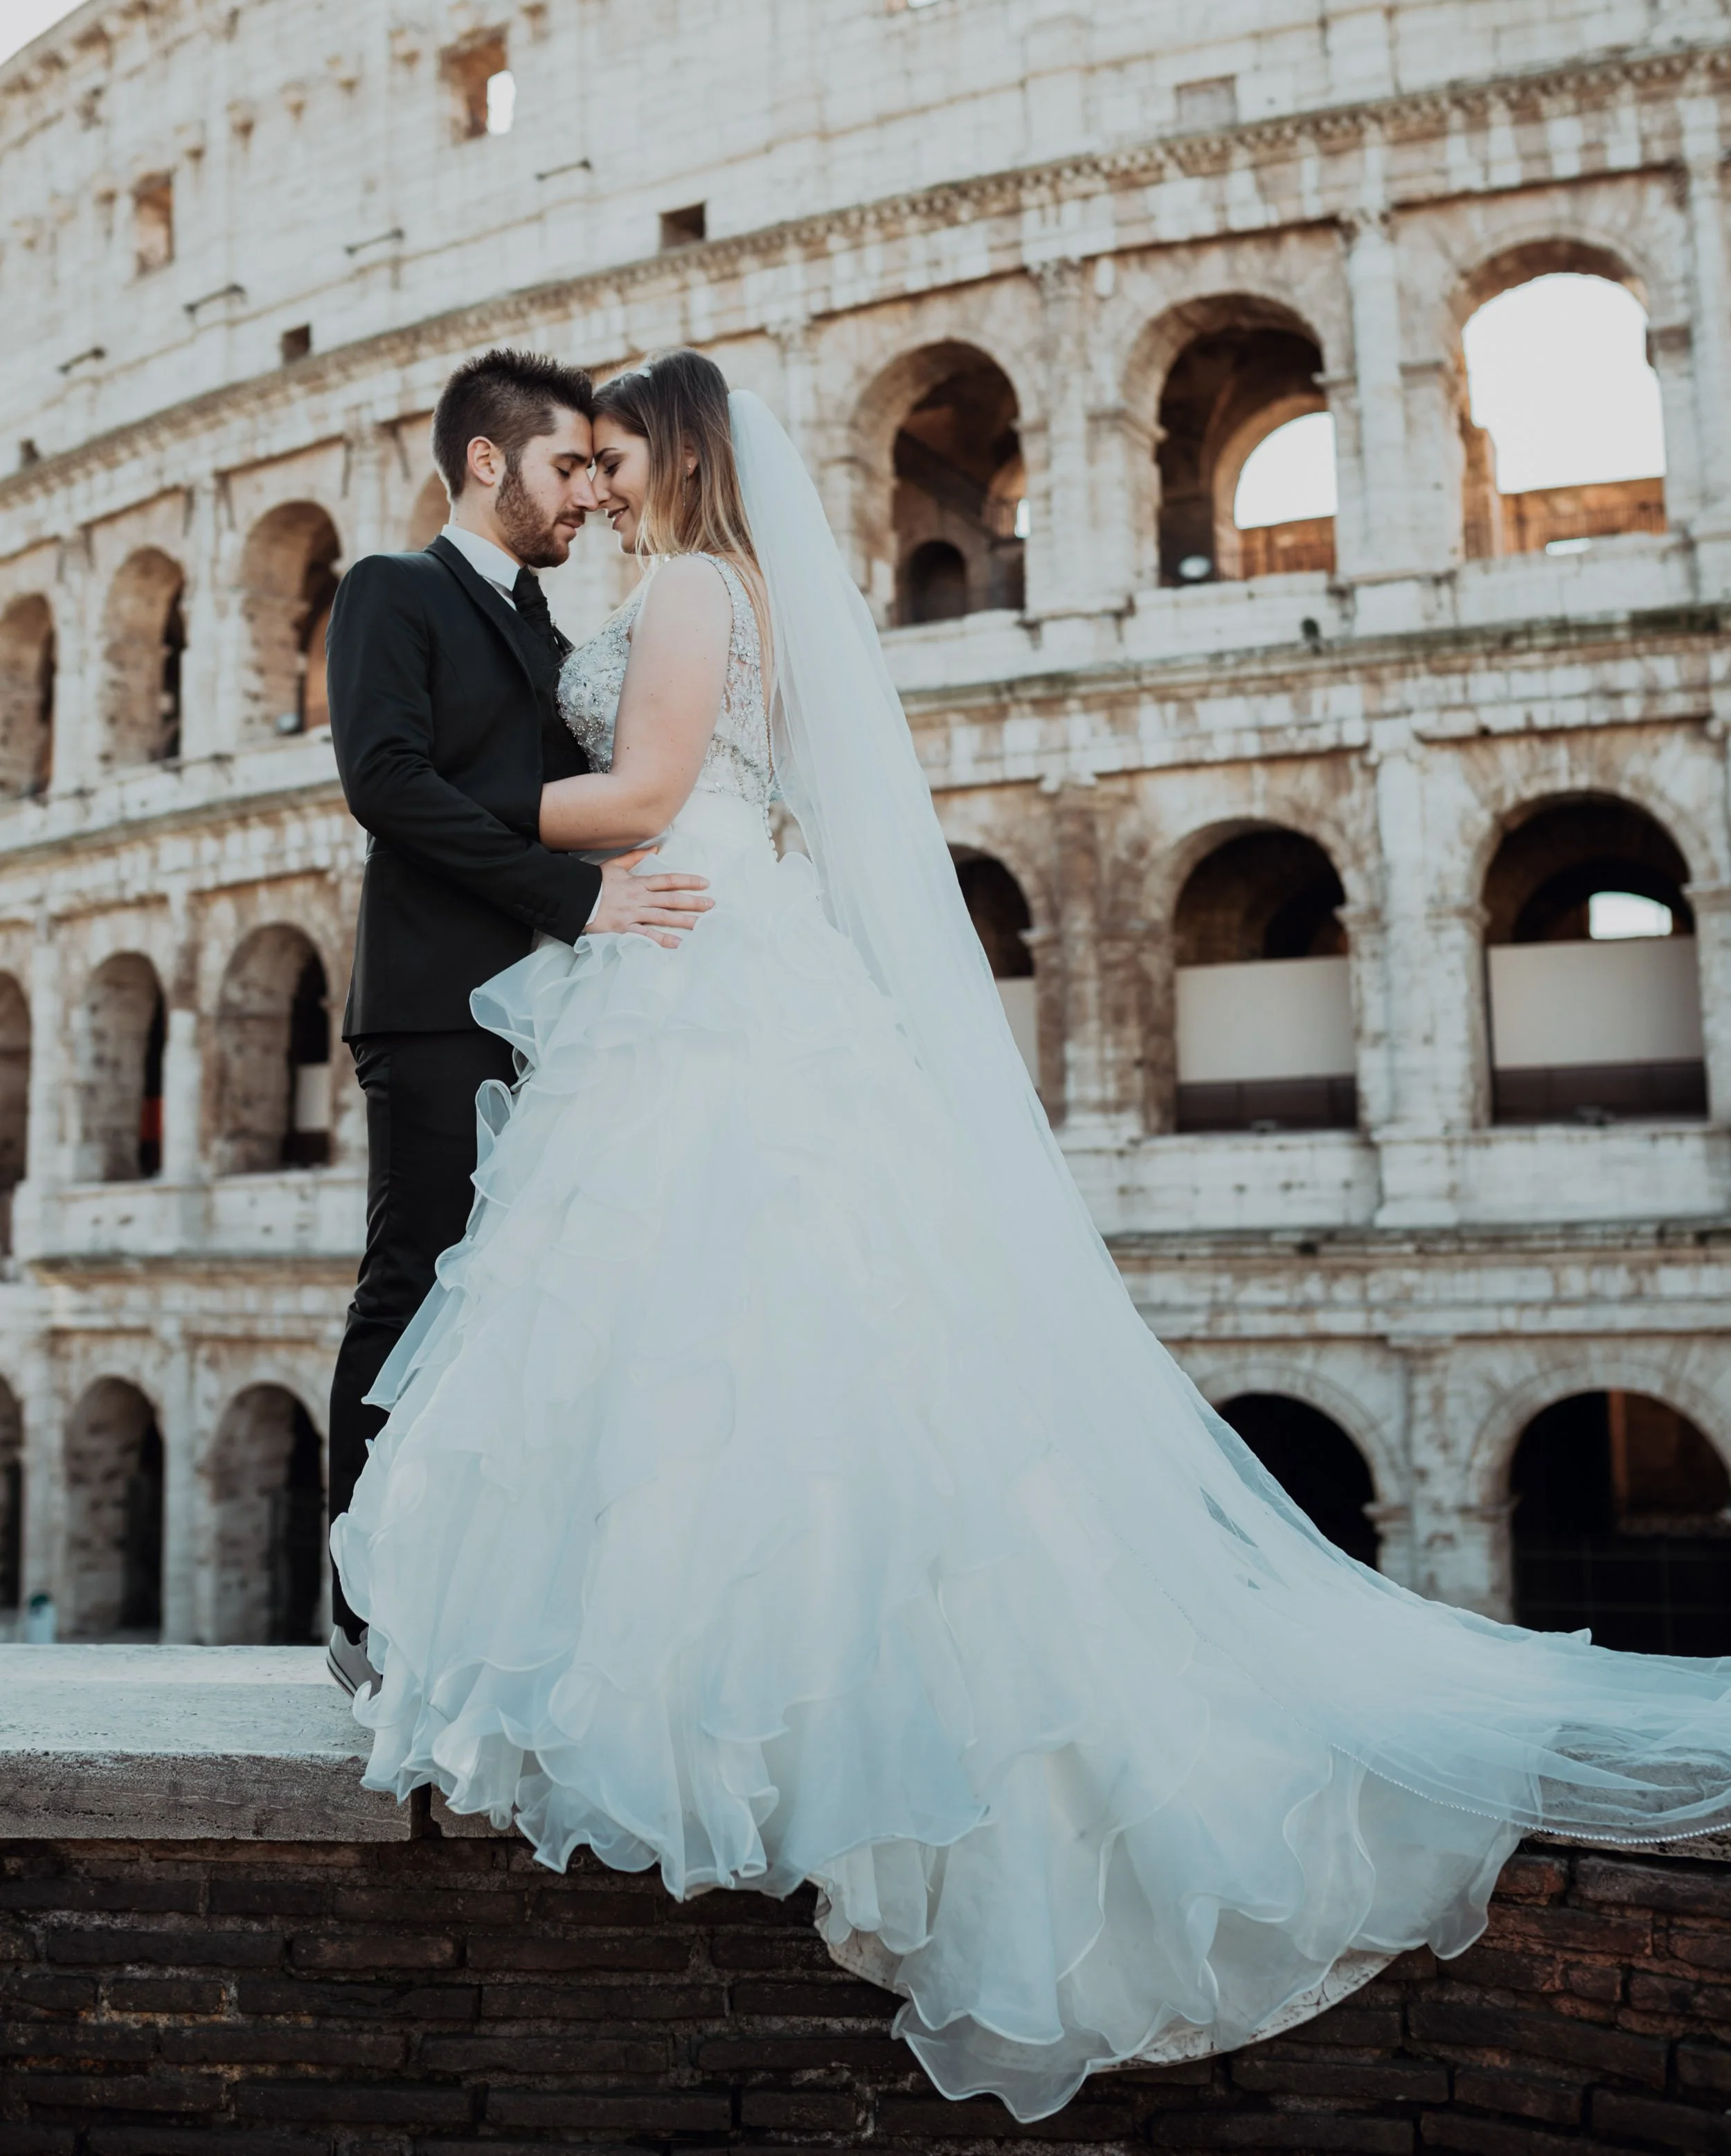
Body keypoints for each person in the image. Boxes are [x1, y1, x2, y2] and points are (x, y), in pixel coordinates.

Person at [332, 350, 1731, 2119]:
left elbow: (638, 791)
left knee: (693, 1308)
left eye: (610, 459)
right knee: (757, 1317)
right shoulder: (707, 584)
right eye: (573, 463)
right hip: (702, 941)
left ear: (670, 458)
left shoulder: (689, 584)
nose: (592, 487)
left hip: (679, 936)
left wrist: (446, 827)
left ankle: (723, 1694)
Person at [321, 348, 712, 1692]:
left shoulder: (539, 625)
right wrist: (573, 894)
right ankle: (357, 1607)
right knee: (413, 1278)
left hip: (554, 1003)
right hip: (437, 998)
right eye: (563, 467)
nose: (585, 498)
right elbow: (382, 780)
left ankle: (469, 1592)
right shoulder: (393, 590)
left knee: (510, 1308)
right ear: (486, 461)